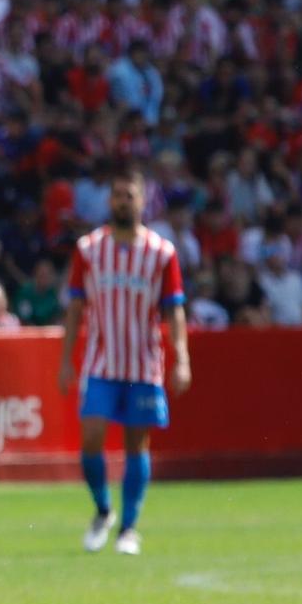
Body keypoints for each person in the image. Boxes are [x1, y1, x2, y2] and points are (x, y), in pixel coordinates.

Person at [58, 163, 191, 556]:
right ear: (109, 200)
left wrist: (181, 357)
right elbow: (76, 309)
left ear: (142, 199)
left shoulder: (161, 253)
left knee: (137, 444)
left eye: (129, 195)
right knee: (92, 439)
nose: (122, 201)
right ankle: (103, 509)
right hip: (101, 361)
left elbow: (174, 310)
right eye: (117, 195)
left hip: (142, 362)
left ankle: (129, 528)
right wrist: (66, 360)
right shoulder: (89, 250)